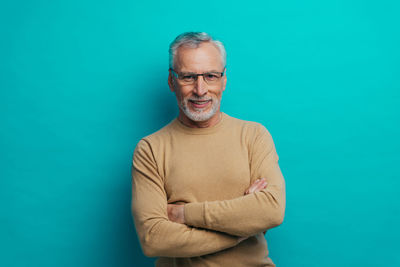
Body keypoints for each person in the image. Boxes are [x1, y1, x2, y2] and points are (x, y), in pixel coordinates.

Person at [131, 32, 286, 267]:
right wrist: (241, 229)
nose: (200, 89)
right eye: (188, 77)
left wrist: (184, 214)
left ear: (224, 80)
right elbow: (154, 239)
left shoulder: (254, 136)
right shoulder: (150, 149)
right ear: (172, 82)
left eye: (211, 76)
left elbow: (272, 211)